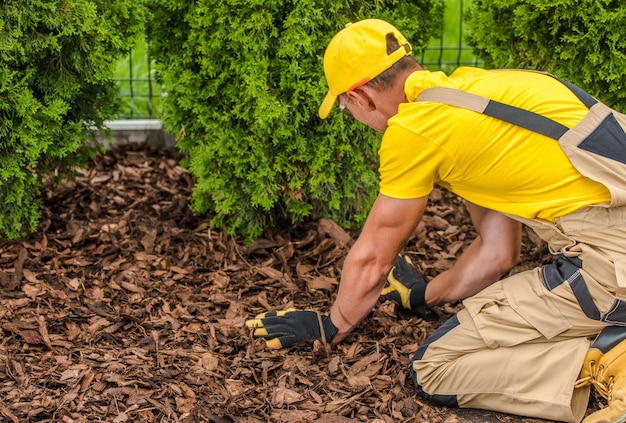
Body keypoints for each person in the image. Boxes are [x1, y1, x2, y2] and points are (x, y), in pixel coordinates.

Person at [245, 18, 626, 423]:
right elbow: (498, 253)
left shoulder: (414, 131)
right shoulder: (477, 94)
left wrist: (331, 324)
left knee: (435, 368)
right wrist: (422, 296)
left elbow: (374, 259)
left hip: (612, 268)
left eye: (343, 105)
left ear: (361, 97)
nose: (349, 112)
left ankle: (610, 355)